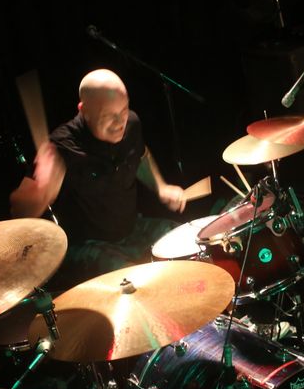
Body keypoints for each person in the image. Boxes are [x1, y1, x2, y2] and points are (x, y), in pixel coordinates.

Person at [10, 69, 185, 288]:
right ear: (84, 111)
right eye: (108, 116)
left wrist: (161, 187)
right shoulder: (61, 146)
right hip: (88, 246)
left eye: (123, 110)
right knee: (134, 281)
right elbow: (18, 211)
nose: (120, 122)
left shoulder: (131, 123)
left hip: (132, 229)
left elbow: (141, 155)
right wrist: (41, 194)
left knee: (186, 238)